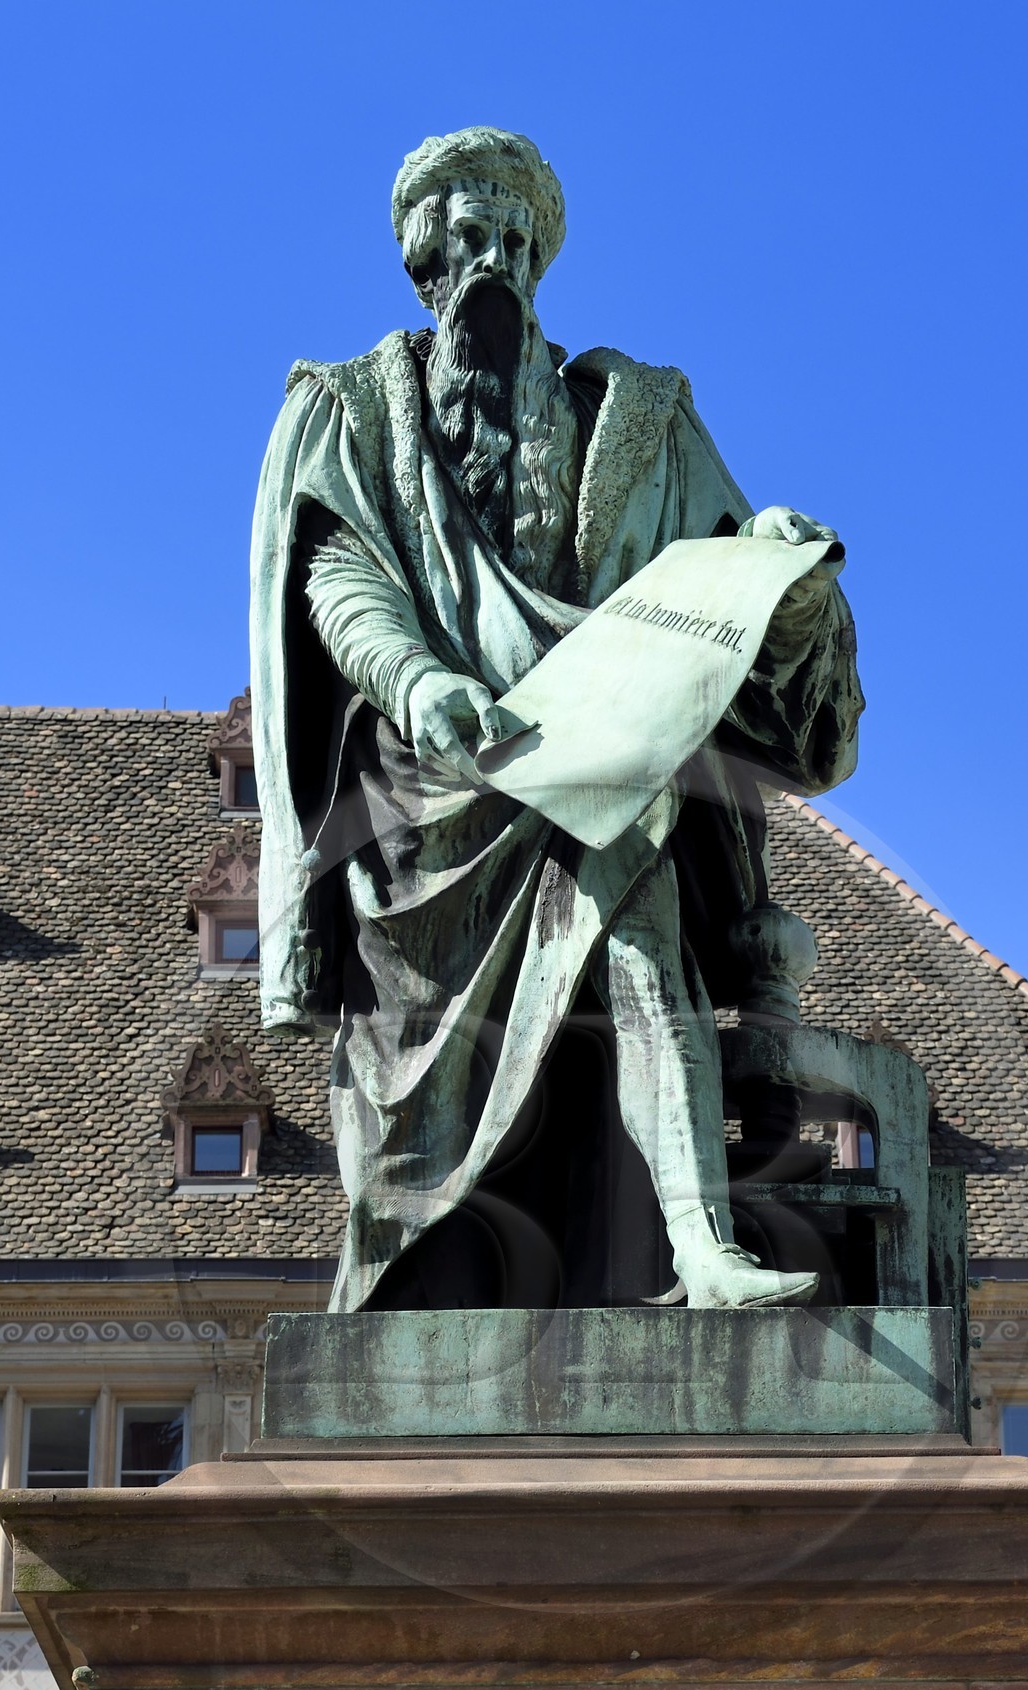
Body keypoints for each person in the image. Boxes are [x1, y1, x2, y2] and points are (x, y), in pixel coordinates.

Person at [251, 127, 863, 1312]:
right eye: (468, 241)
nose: (492, 264)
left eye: (513, 243)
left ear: (540, 262)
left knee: (641, 946)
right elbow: (338, 580)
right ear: (426, 265)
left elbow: (722, 574)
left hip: (595, 747)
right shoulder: (353, 412)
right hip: (434, 785)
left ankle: (699, 1244)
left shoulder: (636, 418)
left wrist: (777, 567)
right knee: (418, 1112)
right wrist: (421, 685)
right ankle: (428, 1283)